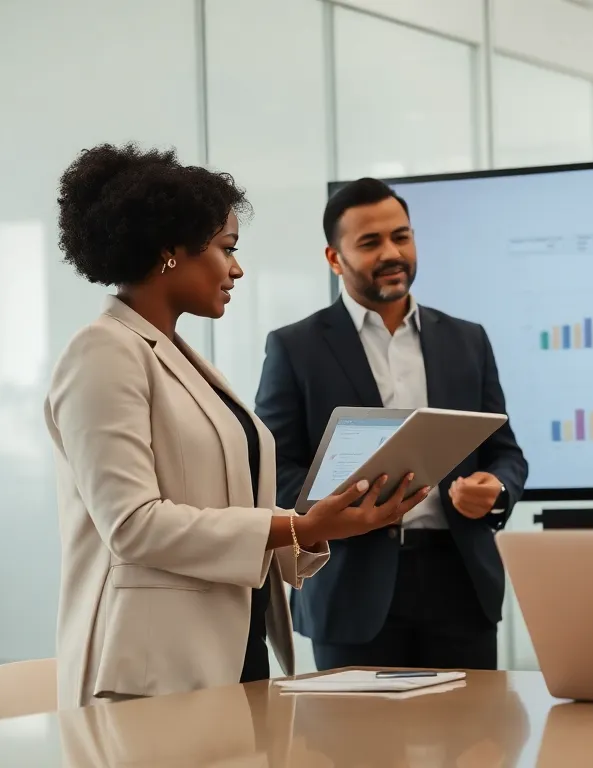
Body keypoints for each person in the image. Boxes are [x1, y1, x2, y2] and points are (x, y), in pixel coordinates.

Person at [46, 145, 428, 708]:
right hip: (152, 668)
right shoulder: (103, 352)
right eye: (227, 248)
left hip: (228, 648)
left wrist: (316, 529)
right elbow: (132, 525)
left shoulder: (177, 357)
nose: (237, 268)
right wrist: (294, 525)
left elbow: (221, 505)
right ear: (170, 250)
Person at [256, 177, 528, 671]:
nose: (392, 253)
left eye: (401, 237)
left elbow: (504, 452)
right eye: (370, 242)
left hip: (460, 583)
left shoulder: (467, 340)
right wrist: (339, 502)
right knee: (355, 726)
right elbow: (274, 468)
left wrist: (497, 489)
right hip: (350, 586)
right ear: (334, 258)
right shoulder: (295, 347)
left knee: (471, 720)